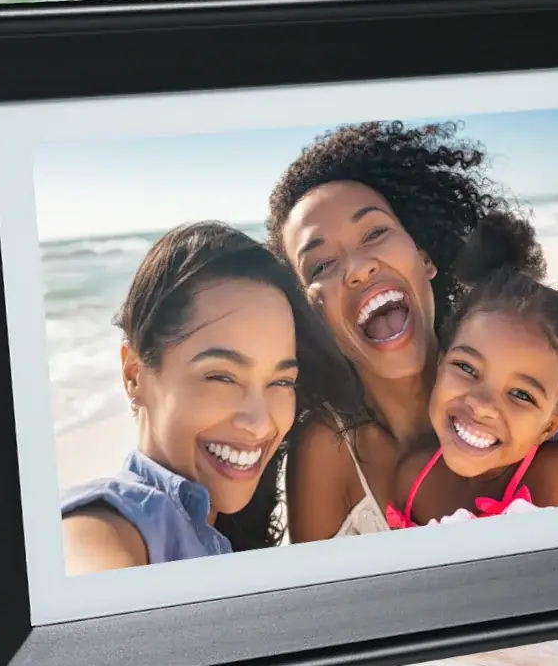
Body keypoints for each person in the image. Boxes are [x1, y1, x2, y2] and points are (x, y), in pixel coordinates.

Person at [263, 121, 558, 542]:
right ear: (310, 315)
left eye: (375, 232)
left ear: (425, 257)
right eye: (321, 265)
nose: (357, 267)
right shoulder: (325, 449)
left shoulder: (542, 421)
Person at [60, 221, 357, 572]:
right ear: (134, 374)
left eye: (280, 382)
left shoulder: (224, 535)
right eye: (222, 377)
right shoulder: (107, 526)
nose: (260, 423)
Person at [385, 212, 558, 528]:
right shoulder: (412, 480)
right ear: (441, 364)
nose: (483, 404)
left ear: (549, 428)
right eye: (467, 368)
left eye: (521, 394)